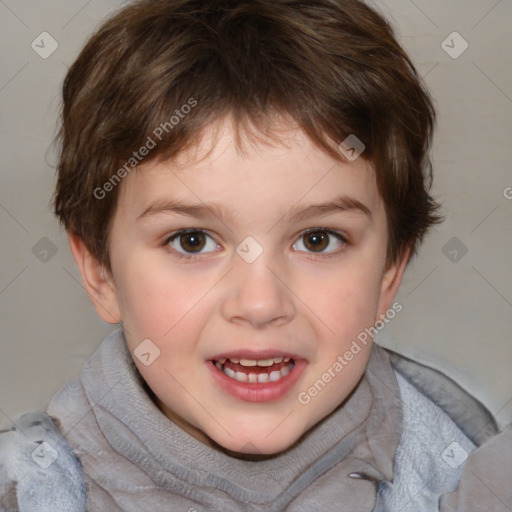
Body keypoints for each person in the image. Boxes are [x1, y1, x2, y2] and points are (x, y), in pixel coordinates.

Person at [1, 0, 510, 510]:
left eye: (317, 240)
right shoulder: (32, 491)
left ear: (389, 274)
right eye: (192, 240)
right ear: (100, 272)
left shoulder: (468, 482)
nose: (261, 303)